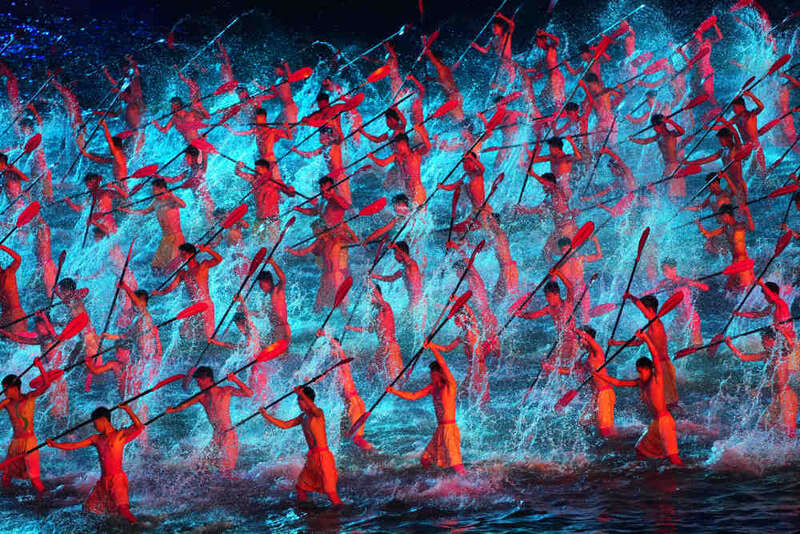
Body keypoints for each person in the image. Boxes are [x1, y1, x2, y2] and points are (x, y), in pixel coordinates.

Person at [47, 403, 144, 522]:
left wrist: (127, 409)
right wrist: (55, 445)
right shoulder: (96, 438)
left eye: (95, 423)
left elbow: (139, 426)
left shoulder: (119, 435)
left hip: (117, 480)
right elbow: (74, 445)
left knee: (123, 510)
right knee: (88, 508)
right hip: (103, 481)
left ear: (103, 420)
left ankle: (140, 526)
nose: (94, 426)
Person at [593, 348, 684, 466]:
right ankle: (641, 469)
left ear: (649, 369)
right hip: (656, 423)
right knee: (640, 449)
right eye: (638, 372)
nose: (639, 375)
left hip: (665, 421)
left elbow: (655, 355)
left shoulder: (656, 379)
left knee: (673, 458)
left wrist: (646, 339)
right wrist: (599, 375)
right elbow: (619, 383)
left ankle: (686, 471)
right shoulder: (640, 382)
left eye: (641, 372)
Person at [386, 342, 466, 474]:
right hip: (440, 430)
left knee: (457, 465)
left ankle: (470, 482)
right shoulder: (432, 388)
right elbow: (413, 396)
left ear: (439, 373)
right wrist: (394, 391)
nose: (430, 375)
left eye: (432, 373)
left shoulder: (450, 386)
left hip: (450, 429)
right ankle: (437, 478)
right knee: (425, 460)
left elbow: (443, 364)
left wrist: (433, 347)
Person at [260, 386, 342, 505]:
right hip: (312, 458)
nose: (298, 402)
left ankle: (342, 513)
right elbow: (285, 425)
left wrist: (302, 393)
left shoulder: (318, 413)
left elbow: (313, 408)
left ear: (307, 400)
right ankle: (306, 509)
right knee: (300, 487)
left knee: (331, 493)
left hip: (323, 457)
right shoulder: (303, 417)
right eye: (298, 399)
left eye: (301, 399)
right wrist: (265, 415)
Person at [166, 366, 253, 473]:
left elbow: (249, 393)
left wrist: (235, 379)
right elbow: (184, 405)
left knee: (226, 472)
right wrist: (173, 410)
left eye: (199, 381)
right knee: (201, 466)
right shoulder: (201, 396)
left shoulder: (225, 391)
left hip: (228, 435)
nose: (198, 384)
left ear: (207, 379)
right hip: (216, 436)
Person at [610, 294, 678, 409]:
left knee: (670, 403)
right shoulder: (650, 326)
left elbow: (640, 306)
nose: (642, 313)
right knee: (659, 400)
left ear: (649, 309)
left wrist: (630, 296)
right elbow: (637, 343)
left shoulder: (656, 324)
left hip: (664, 366)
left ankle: (681, 418)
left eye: (644, 310)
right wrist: (616, 343)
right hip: (658, 366)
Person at [725, 329, 797, 437]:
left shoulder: (781, 353)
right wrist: (730, 345)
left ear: (772, 340)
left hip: (787, 397)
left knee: (789, 431)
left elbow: (791, 345)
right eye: (762, 341)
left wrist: (782, 330)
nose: (762, 343)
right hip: (776, 396)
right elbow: (743, 357)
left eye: (764, 341)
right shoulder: (765, 355)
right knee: (763, 425)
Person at [0, 312, 68, 420]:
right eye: (37, 329)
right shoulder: (41, 341)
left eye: (41, 328)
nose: (39, 331)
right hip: (47, 377)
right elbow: (20, 339)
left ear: (46, 327)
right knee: (52, 408)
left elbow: (52, 332)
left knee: (59, 408)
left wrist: (44, 317)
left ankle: (65, 425)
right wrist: (3, 332)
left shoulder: (54, 339)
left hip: (57, 377)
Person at [1, 358, 51, 493]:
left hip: (29, 442)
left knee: (34, 479)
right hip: (15, 443)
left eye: (5, 389)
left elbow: (46, 385)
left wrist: (40, 366)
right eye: (3, 389)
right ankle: (5, 497)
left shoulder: (29, 397)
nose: (4, 392)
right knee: (6, 476)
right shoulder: (6, 403)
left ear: (14, 388)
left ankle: (44, 497)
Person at [152, 242, 222, 340]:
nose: (182, 257)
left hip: (205, 305)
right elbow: (171, 287)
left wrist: (207, 250)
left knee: (209, 337)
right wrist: (159, 293)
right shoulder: (182, 273)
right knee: (184, 332)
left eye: (184, 254)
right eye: (181, 255)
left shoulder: (203, 265)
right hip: (194, 307)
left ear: (192, 254)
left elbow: (219, 259)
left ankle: (221, 345)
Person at [318, 331, 374, 450]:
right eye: (330, 349)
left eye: (333, 349)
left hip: (354, 405)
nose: (331, 352)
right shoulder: (332, 367)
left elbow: (339, 349)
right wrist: (302, 377)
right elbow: (317, 380)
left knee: (356, 439)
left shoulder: (343, 363)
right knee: (343, 435)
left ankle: (377, 453)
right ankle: (361, 456)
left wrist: (326, 335)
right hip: (348, 406)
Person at [515, 269, 578, 374]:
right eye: (546, 297)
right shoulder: (549, 308)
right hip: (561, 341)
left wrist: (559, 274)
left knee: (565, 368)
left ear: (556, 294)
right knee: (548, 367)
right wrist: (520, 314)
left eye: (549, 296)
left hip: (572, 341)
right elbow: (532, 315)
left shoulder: (567, 303)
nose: (547, 299)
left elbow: (570, 287)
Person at [286, 219, 356, 314]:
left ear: (321, 229)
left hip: (336, 275)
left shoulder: (336, 238)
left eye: (315, 231)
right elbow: (302, 252)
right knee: (318, 304)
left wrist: (347, 228)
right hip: (325, 276)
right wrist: (290, 250)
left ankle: (347, 321)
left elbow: (355, 240)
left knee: (342, 304)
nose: (314, 234)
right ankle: (316, 321)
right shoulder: (318, 242)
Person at [123, 178, 186, 274]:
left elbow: (183, 205)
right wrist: (127, 211)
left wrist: (171, 195)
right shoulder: (156, 202)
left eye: (154, 190)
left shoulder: (171, 200)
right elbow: (144, 212)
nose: (153, 192)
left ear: (162, 189)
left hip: (176, 238)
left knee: (172, 267)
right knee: (156, 267)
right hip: (165, 238)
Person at [345, 284, 403, 380]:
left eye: (370, 295)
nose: (367, 297)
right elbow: (369, 330)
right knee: (370, 371)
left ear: (376, 294)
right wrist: (351, 328)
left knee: (394, 378)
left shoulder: (386, 307)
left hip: (390, 347)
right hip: (381, 348)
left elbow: (379, 297)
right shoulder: (375, 313)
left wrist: (369, 282)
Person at [235, 159, 295, 241]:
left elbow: (291, 194)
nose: (255, 173)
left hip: (272, 220)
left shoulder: (276, 183)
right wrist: (238, 166)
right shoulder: (254, 180)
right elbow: (238, 173)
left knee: (272, 245)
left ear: (266, 170)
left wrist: (291, 190)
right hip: (258, 219)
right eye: (255, 170)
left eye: (258, 170)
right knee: (255, 243)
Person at [628, 114, 686, 199]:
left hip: (674, 166)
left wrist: (670, 121)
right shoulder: (658, 137)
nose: (653, 128)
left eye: (654, 126)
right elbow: (645, 141)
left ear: (661, 125)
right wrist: (633, 139)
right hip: (667, 167)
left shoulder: (671, 134)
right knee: (665, 194)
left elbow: (682, 131)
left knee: (674, 196)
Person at [576, 327, 616, 437]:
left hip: (604, 393)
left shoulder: (597, 353)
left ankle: (622, 441)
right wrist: (550, 367)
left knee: (605, 431)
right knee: (582, 421)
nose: (578, 340)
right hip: (596, 395)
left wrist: (575, 329)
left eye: (580, 338)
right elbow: (573, 371)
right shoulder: (585, 357)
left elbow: (590, 339)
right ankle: (597, 441)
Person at [0, 243, 27, 334]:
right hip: (5, 316)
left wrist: (2, 247)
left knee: (18, 340)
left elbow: (18, 259)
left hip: (15, 314)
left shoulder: (9, 273)